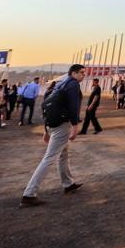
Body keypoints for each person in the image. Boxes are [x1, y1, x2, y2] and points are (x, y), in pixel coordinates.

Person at [21, 64, 85, 206]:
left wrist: (46, 129)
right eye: (81, 72)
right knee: (49, 158)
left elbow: (47, 104)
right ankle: (29, 194)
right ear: (73, 73)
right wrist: (75, 126)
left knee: (63, 154)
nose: (84, 75)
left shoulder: (60, 85)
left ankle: (68, 184)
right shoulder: (73, 84)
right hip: (62, 125)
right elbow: (73, 106)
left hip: (53, 124)